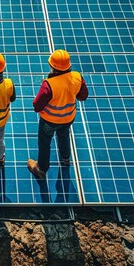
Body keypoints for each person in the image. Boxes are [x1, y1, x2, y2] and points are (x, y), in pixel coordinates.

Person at [28, 49, 88, 179]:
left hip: (49, 121)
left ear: (52, 67)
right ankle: (66, 158)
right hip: (68, 118)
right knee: (64, 136)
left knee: (44, 143)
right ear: (69, 66)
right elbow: (83, 96)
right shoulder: (77, 77)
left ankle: (42, 168)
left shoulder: (48, 85)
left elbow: (37, 105)